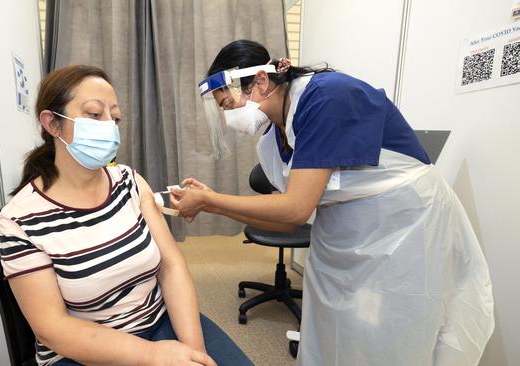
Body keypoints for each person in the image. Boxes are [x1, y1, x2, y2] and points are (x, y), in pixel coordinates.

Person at [170, 40, 494, 365]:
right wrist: (211, 202)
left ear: (261, 81)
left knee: (393, 328)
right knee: (337, 326)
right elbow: (287, 222)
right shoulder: (272, 141)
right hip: (347, 229)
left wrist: (211, 200)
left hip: (405, 221)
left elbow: (296, 207)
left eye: (229, 105)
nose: (230, 117)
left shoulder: (324, 98)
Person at [0, 65, 252, 366]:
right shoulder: (20, 220)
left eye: (114, 117)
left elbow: (171, 267)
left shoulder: (129, 181)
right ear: (52, 123)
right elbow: (53, 328)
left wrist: (193, 351)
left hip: (160, 322)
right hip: (82, 352)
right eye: (94, 114)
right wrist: (153, 356)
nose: (109, 126)